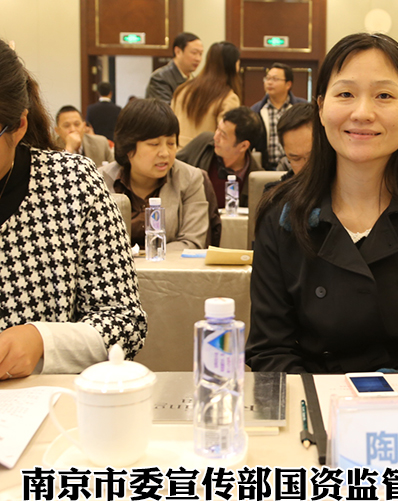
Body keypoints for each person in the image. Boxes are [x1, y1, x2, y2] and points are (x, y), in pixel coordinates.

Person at [246, 33, 398, 374]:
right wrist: (328, 402)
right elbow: (270, 350)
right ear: (321, 108)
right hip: (312, 398)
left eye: (384, 95)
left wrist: (383, 400)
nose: (362, 113)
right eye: (345, 94)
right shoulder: (281, 213)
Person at [0, 39, 146, 377]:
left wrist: (42, 340)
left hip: (43, 399)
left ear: (19, 126)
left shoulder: (71, 184)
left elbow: (125, 321)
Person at [101, 98, 209, 250]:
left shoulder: (189, 178)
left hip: (171, 265)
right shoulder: (100, 181)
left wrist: (149, 257)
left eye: (171, 143)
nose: (165, 153)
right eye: (154, 144)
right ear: (128, 147)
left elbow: (192, 242)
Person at [177, 106, 264, 209]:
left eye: (223, 135)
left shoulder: (256, 179)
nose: (215, 137)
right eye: (217, 129)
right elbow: (173, 166)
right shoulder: (203, 144)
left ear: (243, 146)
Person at [171, 41, 241, 149]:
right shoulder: (228, 98)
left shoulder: (183, 90)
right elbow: (227, 137)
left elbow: (170, 125)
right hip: (206, 156)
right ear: (234, 65)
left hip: (178, 154)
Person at [250, 63, 308, 169]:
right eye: (267, 78)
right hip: (265, 169)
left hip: (295, 167)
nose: (269, 82)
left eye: (275, 79)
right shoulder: (256, 110)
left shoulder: (301, 108)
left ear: (288, 84)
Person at [145, 32, 203, 103]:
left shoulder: (194, 81)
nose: (198, 59)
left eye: (200, 54)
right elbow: (164, 109)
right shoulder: (160, 78)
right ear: (178, 52)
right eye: (194, 53)